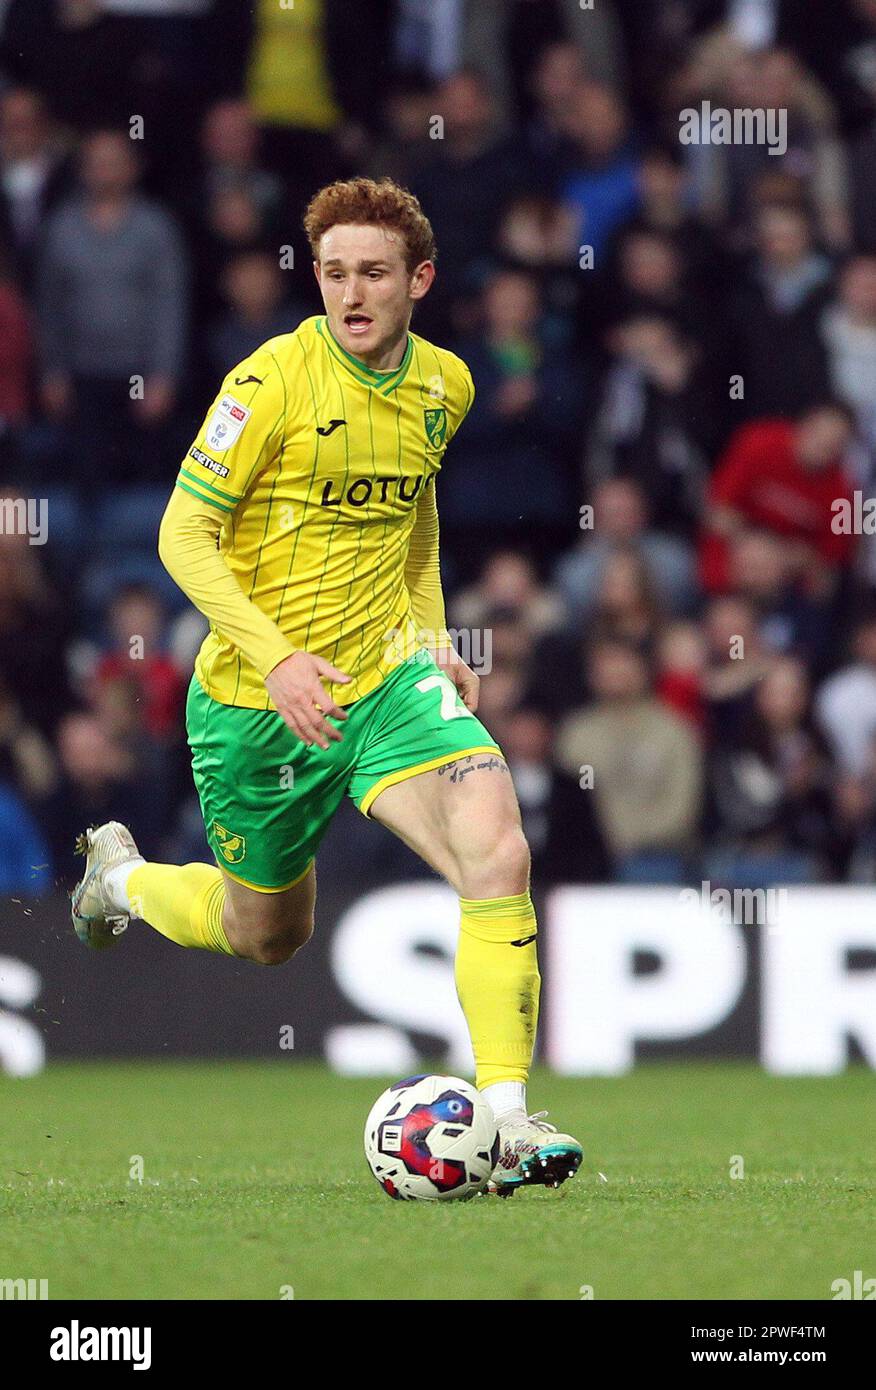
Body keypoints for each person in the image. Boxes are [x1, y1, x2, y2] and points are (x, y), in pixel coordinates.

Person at [69, 176, 582, 1196]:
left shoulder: (448, 385)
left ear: (420, 280)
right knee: (269, 936)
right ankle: (121, 880)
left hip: (385, 677)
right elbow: (182, 532)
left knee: (498, 848)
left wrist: (431, 635)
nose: (351, 293)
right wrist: (277, 657)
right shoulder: (270, 384)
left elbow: (415, 508)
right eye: (335, 272)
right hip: (257, 706)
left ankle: (512, 1118)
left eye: (375, 274)